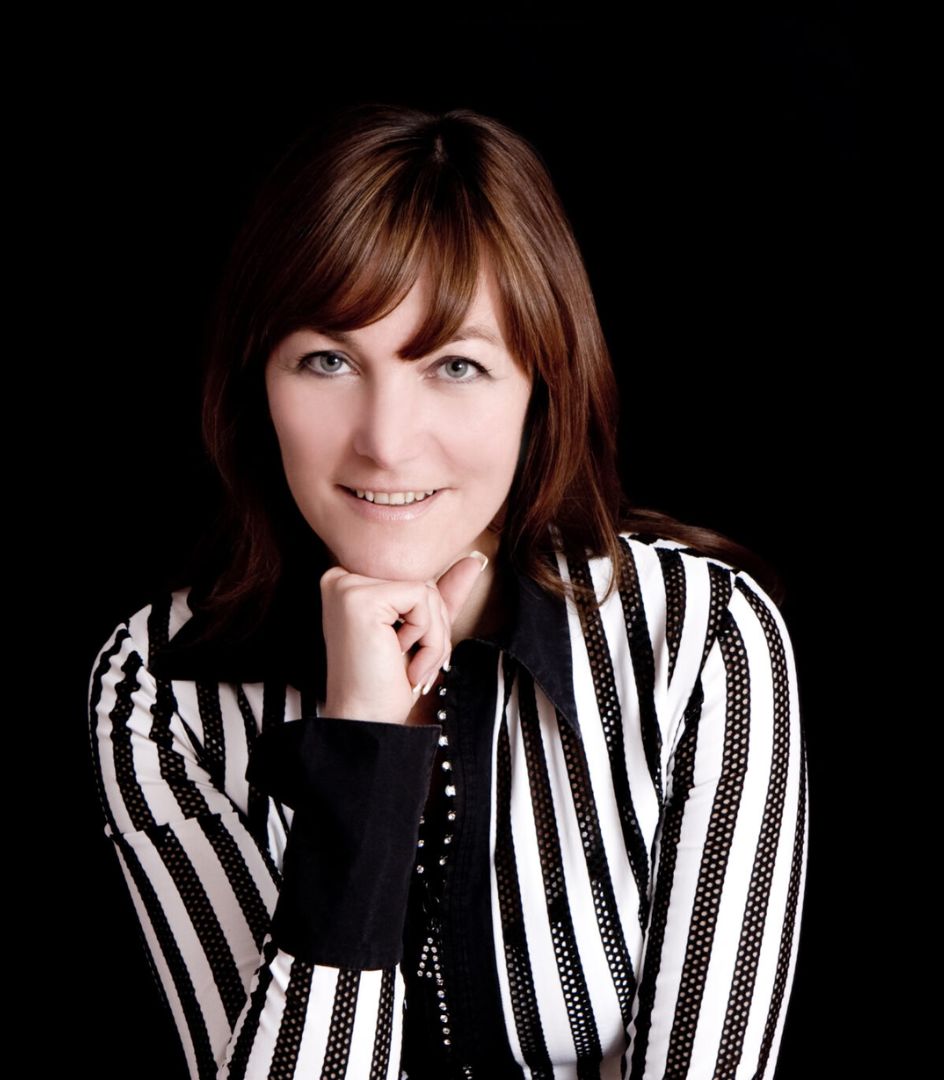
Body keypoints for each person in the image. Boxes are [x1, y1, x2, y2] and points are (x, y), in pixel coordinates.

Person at [88, 103, 807, 1079]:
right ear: (258, 381)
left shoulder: (698, 639)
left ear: (540, 386)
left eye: (456, 365)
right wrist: (364, 754)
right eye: (328, 360)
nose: (386, 441)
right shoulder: (161, 683)